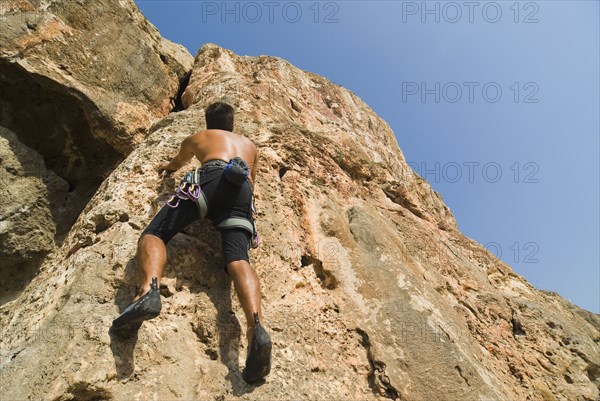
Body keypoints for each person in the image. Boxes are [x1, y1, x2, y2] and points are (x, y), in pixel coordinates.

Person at [110, 101, 271, 383]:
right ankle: (255, 325)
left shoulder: (198, 138)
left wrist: (167, 168)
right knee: (238, 259)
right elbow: (253, 182)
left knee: (155, 233)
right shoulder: (250, 146)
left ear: (208, 123)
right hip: (241, 189)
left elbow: (178, 162)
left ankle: (147, 291)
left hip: (209, 179)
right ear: (232, 125)